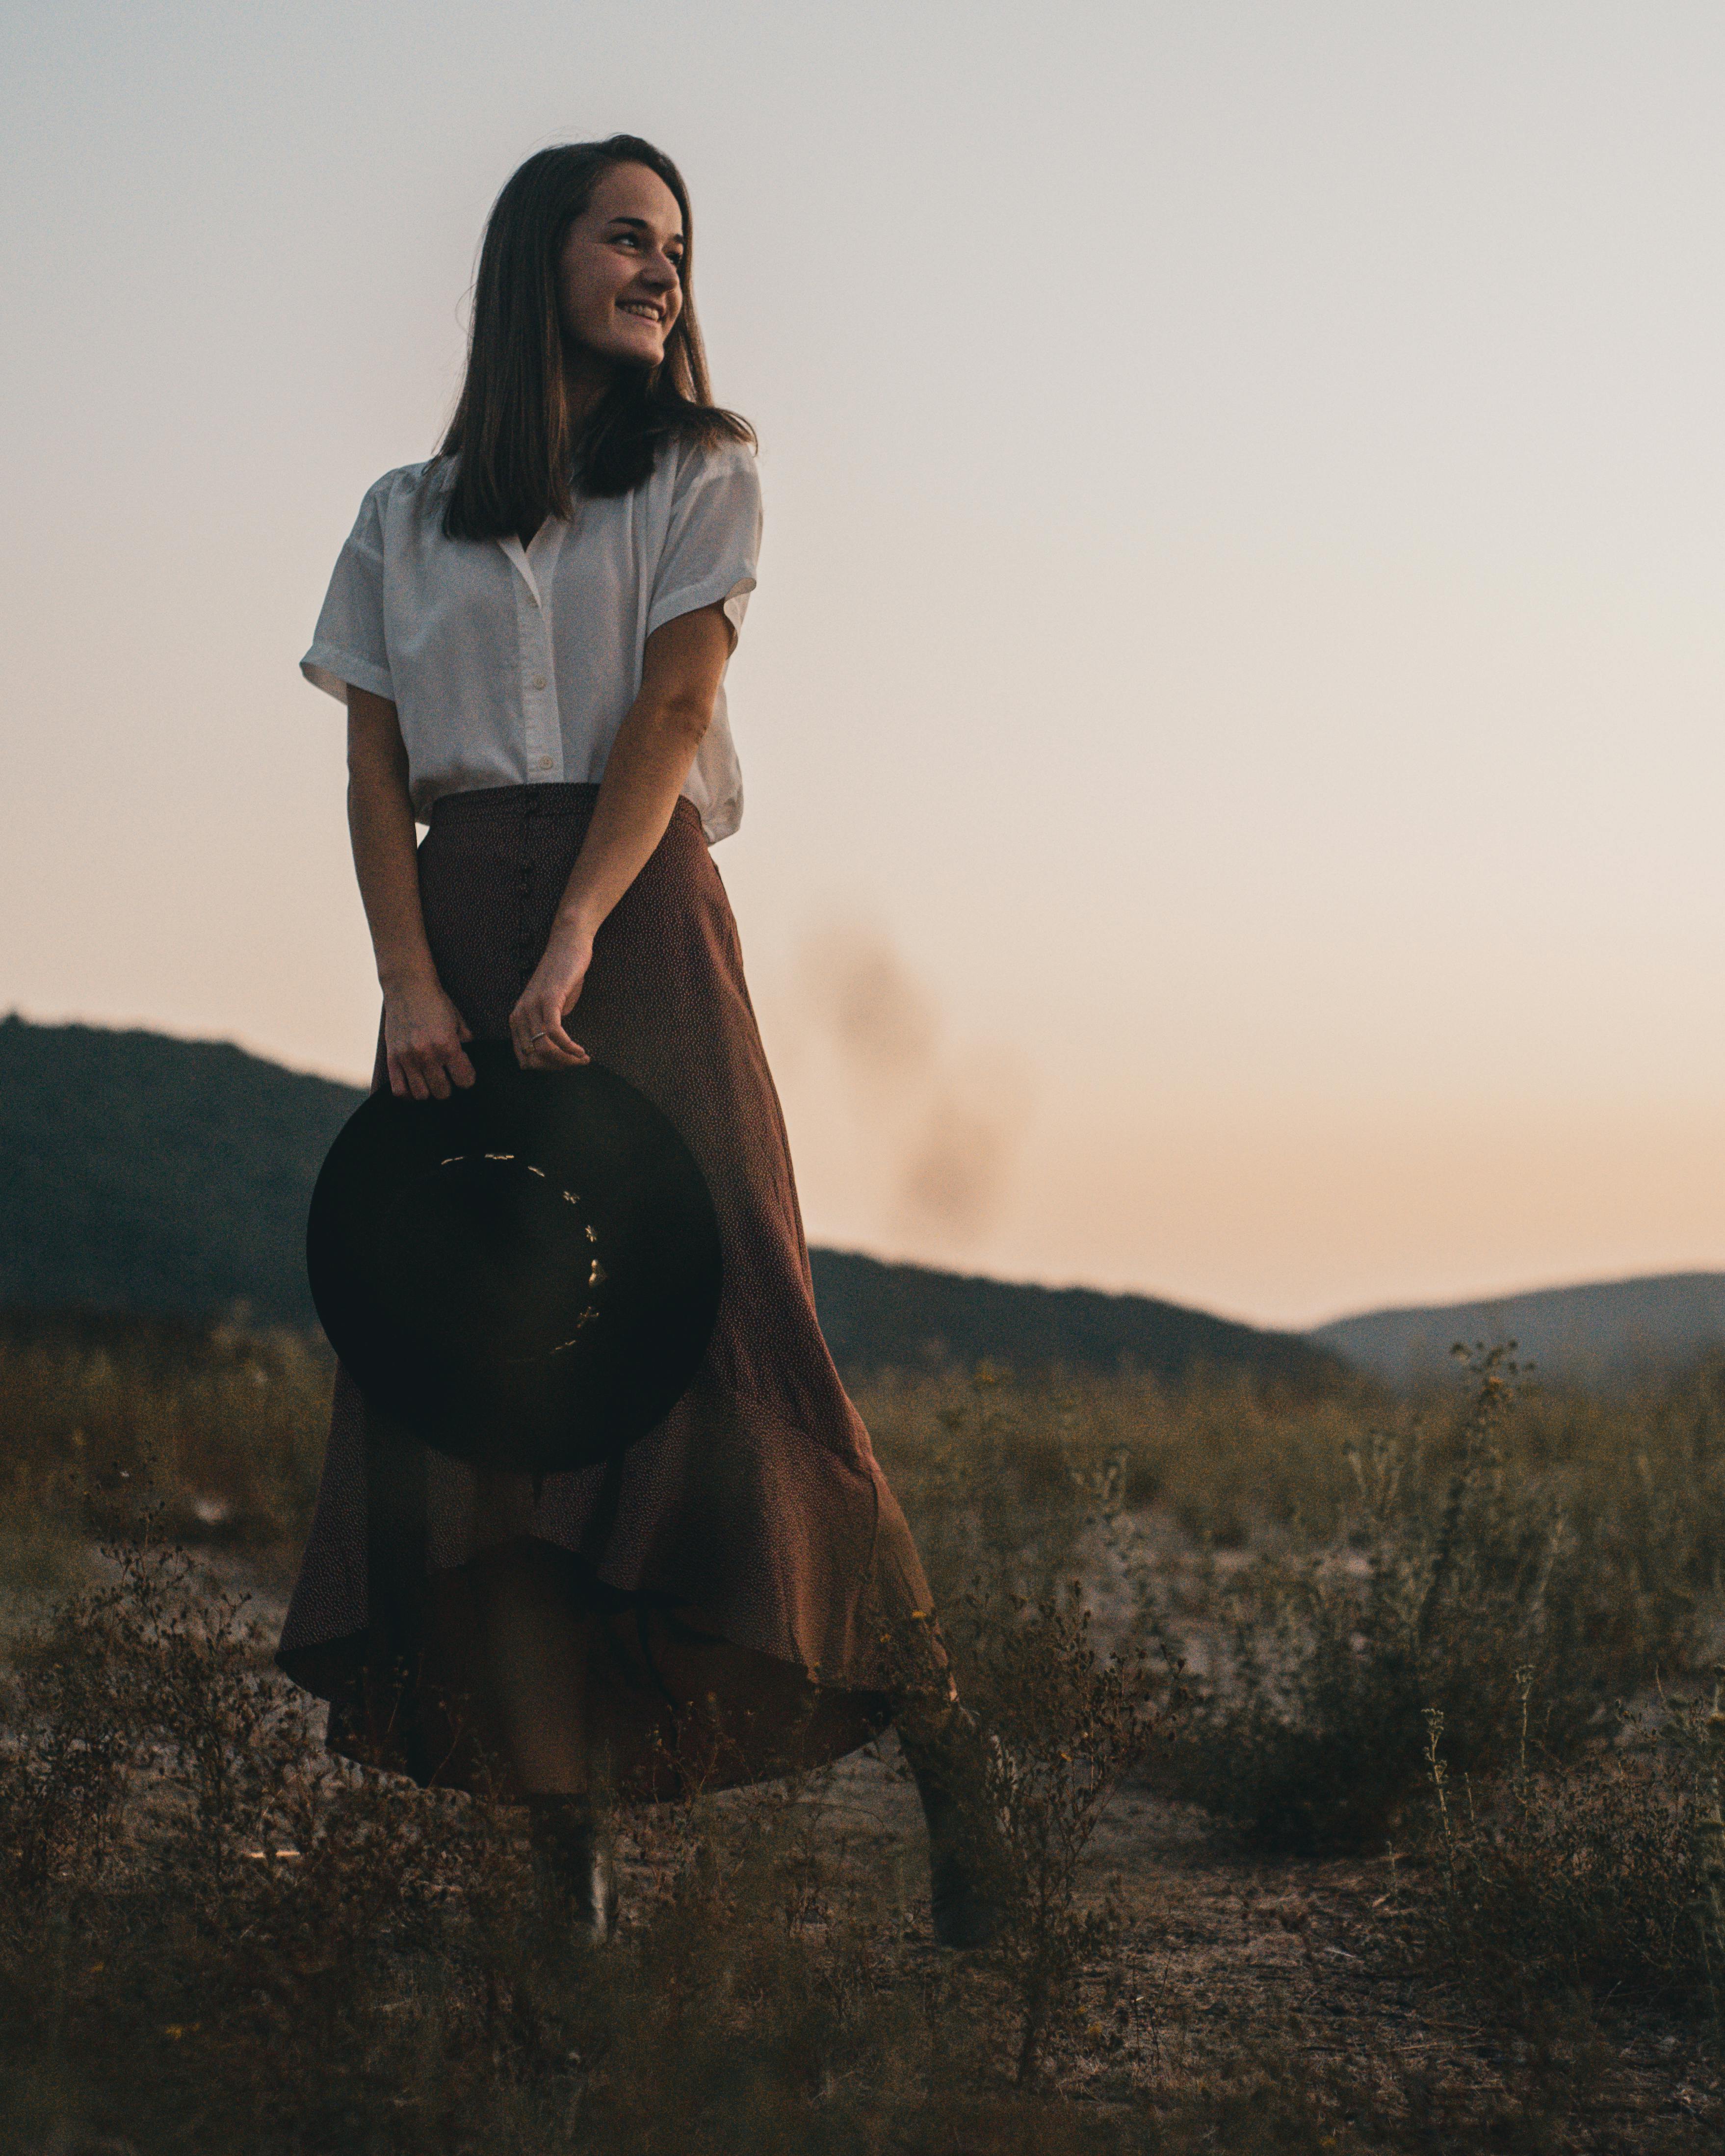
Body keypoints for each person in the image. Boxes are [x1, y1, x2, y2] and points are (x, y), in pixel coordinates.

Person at [275, 136, 998, 1948]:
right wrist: (408, 979)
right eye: (625, 235)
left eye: (677, 244)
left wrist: (584, 933)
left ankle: (947, 1747)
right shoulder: (396, 513)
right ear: (541, 258)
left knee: (735, 1311)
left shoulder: (699, 466)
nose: (662, 267)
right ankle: (564, 1844)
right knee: (486, 1363)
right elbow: (370, 768)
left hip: (643, 911)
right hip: (458, 918)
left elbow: (676, 708)